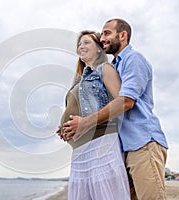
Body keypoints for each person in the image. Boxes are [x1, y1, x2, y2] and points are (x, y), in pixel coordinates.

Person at [63, 19, 168, 200]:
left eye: (106, 33)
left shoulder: (133, 59)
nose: (102, 38)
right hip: (123, 148)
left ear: (123, 35)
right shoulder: (115, 66)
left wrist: (86, 123)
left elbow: (126, 101)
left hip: (142, 142)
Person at [57, 30, 130, 200]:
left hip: (100, 144)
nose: (81, 46)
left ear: (99, 48)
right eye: (79, 44)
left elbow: (121, 102)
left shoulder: (105, 69)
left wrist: (86, 122)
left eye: (86, 42)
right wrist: (64, 127)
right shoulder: (79, 80)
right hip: (79, 150)